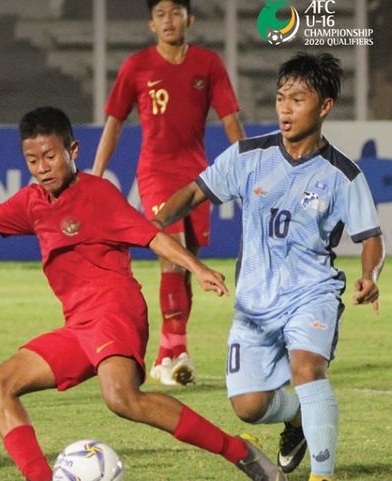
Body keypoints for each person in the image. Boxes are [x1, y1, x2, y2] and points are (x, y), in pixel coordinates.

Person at [0, 106, 286, 481]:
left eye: (50, 156)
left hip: (116, 310)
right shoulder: (31, 202)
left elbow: (151, 234)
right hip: (79, 325)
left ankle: (239, 451)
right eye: (32, 160)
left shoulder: (98, 193)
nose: (42, 167)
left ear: (73, 151)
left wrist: (196, 268)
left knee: (121, 398)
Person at [154, 53, 384, 481]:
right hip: (255, 303)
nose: (285, 108)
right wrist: (155, 221)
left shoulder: (343, 175)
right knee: (248, 407)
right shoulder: (248, 156)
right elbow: (193, 192)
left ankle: (323, 474)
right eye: (281, 98)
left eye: (298, 99)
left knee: (307, 368)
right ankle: (296, 421)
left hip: (311, 294)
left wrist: (370, 276)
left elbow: (371, 237)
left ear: (325, 106)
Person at [92, 0, 245, 386]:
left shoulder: (208, 64)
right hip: (156, 172)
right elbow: (114, 122)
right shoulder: (137, 66)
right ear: (150, 23)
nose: (169, 21)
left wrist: (248, 165)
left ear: (189, 19)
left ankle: (170, 353)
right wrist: (95, 172)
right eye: (160, 14)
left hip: (197, 172)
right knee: (172, 257)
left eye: (175, 13)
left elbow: (231, 120)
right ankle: (173, 349)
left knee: (189, 261)